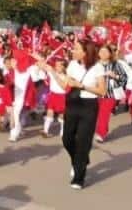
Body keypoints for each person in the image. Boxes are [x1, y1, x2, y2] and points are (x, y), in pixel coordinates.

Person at [42, 40, 106, 190]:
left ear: (85, 52)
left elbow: (102, 91)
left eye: (76, 49)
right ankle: (79, 160)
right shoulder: (72, 64)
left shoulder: (97, 67)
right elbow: (65, 85)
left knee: (83, 141)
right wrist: (51, 71)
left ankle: (79, 177)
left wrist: (82, 86)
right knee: (67, 139)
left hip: (88, 106)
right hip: (72, 103)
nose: (73, 51)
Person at [96, 45, 129, 143]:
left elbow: (124, 78)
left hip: (110, 94)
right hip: (95, 93)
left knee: (104, 114)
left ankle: (101, 134)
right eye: (101, 51)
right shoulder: (94, 64)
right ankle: (102, 130)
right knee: (97, 115)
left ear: (110, 54)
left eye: (105, 52)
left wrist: (114, 76)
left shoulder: (115, 64)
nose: (103, 54)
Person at [42, 58, 67, 138]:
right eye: (56, 65)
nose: (57, 67)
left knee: (61, 115)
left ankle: (62, 131)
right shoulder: (52, 72)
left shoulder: (66, 76)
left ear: (64, 67)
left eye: (59, 66)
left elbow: (65, 87)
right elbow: (44, 65)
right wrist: (39, 58)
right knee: (49, 113)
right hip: (53, 96)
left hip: (62, 97)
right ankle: (45, 131)